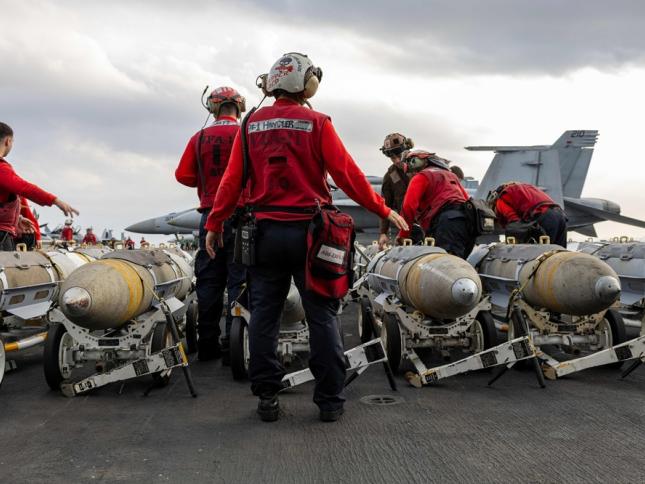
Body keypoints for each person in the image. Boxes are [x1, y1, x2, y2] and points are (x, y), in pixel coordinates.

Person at [204, 52, 407, 423]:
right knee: (322, 316)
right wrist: (382, 209)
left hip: (264, 235)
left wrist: (215, 223)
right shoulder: (317, 122)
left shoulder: (249, 125)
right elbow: (347, 174)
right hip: (313, 236)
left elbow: (231, 182)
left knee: (264, 316)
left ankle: (267, 397)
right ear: (307, 83)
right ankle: (329, 402)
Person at [175, 86, 248, 362]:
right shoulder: (246, 134)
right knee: (240, 281)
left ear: (212, 108)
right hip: (243, 219)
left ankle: (207, 345)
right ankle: (234, 345)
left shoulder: (199, 137)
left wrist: (208, 181)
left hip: (209, 218)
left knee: (208, 282)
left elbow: (183, 175)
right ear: (239, 107)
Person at [0, 122, 78, 251]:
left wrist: (17, 219)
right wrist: (55, 200)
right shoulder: (2, 169)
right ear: (8, 141)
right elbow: (24, 188)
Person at [397, 149, 475, 259]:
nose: (410, 175)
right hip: (467, 224)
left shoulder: (421, 177)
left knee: (446, 264)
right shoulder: (451, 175)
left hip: (446, 224)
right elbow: (467, 200)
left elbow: (408, 207)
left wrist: (403, 234)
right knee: (459, 262)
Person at [487, 182, 567, 247]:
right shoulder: (525, 188)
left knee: (542, 257)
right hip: (560, 216)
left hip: (544, 217)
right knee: (561, 256)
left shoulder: (500, 201)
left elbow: (515, 224)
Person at [377, 133, 414, 250]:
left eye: (399, 156)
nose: (397, 161)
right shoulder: (390, 176)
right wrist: (383, 233)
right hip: (407, 229)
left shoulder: (422, 167)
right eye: (393, 158)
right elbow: (385, 206)